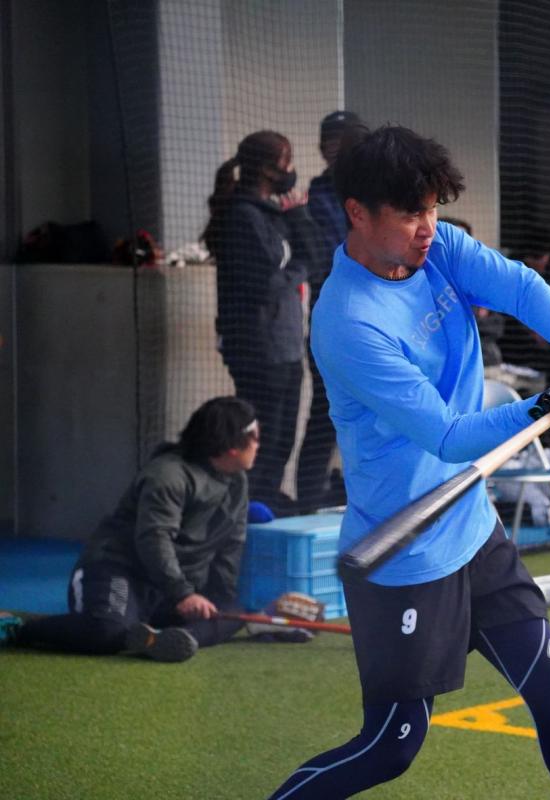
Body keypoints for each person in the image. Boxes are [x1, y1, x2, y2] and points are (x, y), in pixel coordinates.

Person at [268, 125, 550, 800]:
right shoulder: (348, 323)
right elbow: (449, 435)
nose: (428, 228)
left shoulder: (441, 249)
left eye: (432, 209)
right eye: (410, 214)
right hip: (404, 555)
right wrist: (542, 408)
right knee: (390, 747)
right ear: (359, 214)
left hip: (471, 524)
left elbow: (519, 287)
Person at [1, 397, 258, 662]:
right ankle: (19, 628)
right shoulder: (168, 475)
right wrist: (183, 593)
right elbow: (154, 538)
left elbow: (232, 543)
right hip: (118, 571)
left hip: (170, 588)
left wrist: (217, 597)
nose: (258, 445)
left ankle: (169, 639)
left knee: (232, 610)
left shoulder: (237, 482)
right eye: (255, 437)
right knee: (107, 631)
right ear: (232, 448)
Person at [204, 130, 320, 511]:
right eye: (286, 162)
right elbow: (264, 284)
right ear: (270, 168)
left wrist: (299, 215)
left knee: (284, 431)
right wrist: (299, 271)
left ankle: (267, 496)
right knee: (261, 432)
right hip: (257, 346)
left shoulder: (275, 214)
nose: (291, 170)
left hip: (285, 342)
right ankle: (249, 501)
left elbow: (315, 255)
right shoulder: (243, 216)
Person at [296, 111, 369, 512]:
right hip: (334, 315)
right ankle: (309, 495)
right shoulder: (321, 193)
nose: (336, 151)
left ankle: (364, 488)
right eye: (330, 143)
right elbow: (336, 252)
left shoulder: (376, 188)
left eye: (343, 143)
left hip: (376, 312)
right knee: (326, 409)